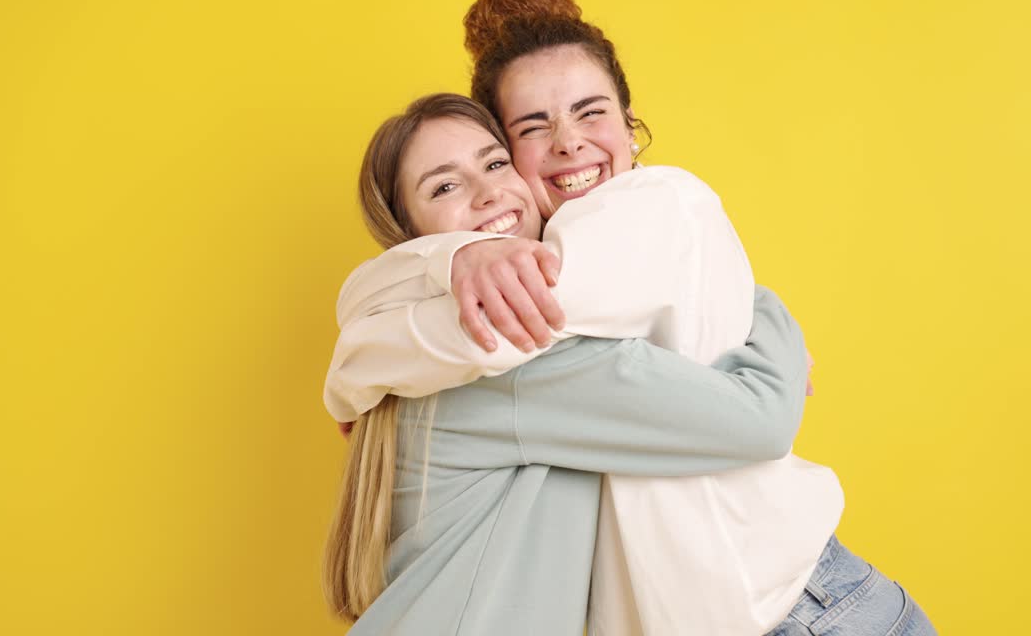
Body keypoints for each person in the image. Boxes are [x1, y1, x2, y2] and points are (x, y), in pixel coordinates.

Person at [326, 0, 937, 635]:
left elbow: (755, 420)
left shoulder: (658, 204)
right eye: (532, 128)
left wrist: (763, 313)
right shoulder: (523, 311)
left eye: (593, 113)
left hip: (803, 609)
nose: (568, 143)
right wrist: (442, 264)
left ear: (631, 125)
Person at [322, 91, 812, 635]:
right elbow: (761, 418)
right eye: (444, 186)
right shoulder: (513, 358)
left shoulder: (419, 357)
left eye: (495, 163)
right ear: (409, 237)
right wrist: (762, 307)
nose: (489, 193)